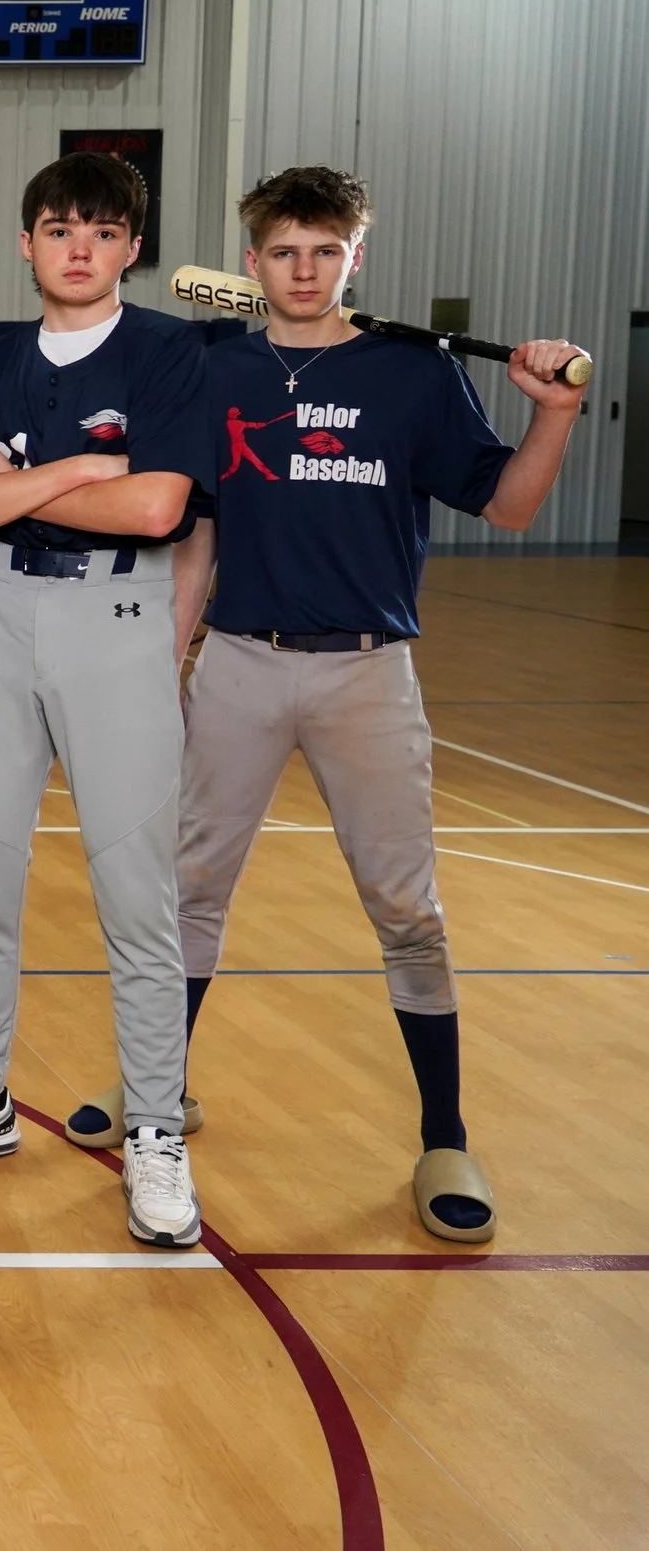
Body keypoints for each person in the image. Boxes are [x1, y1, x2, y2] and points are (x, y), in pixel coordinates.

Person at [172, 165, 583, 1245]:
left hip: (367, 670)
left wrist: (559, 410)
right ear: (251, 262)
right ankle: (154, 1100)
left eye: (325, 250)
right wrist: (167, 658)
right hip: (240, 664)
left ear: (356, 255)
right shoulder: (218, 367)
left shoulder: (412, 373)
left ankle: (443, 1131)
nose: (302, 270)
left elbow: (508, 502)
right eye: (282, 251)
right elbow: (199, 528)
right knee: (190, 887)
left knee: (406, 907)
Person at [0, 152, 212, 1250]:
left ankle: (152, 1128)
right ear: (25, 242)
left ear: (131, 247)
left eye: (100, 230)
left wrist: (19, 475)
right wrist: (70, 472)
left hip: (118, 621)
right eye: (57, 228)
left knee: (135, 897)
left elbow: (154, 506)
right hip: (1, 613)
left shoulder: (168, 351)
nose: (78, 246)